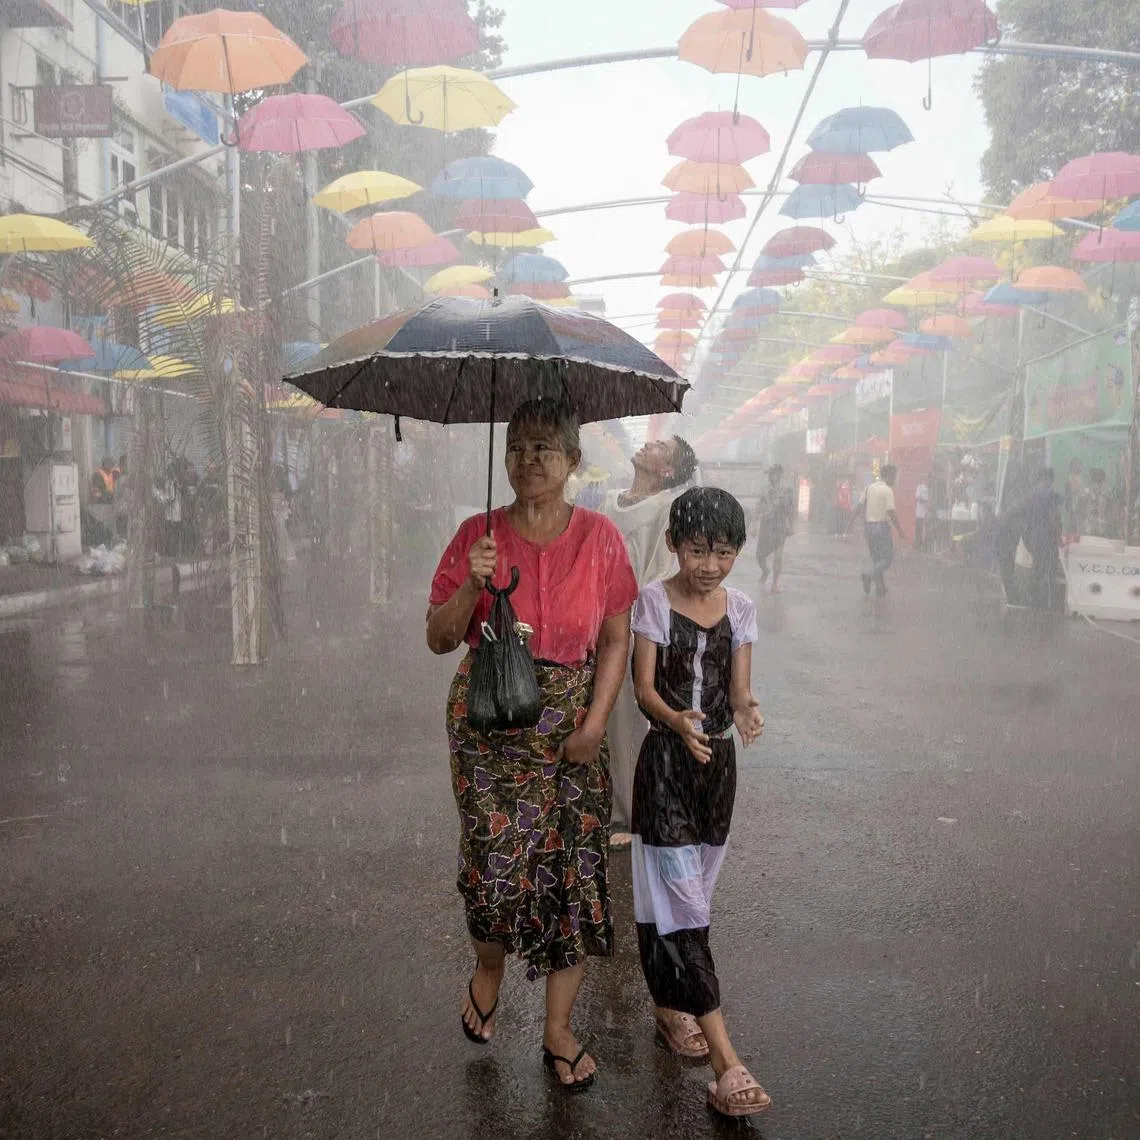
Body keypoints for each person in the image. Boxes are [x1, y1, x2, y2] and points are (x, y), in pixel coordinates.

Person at [427, 398, 638, 1092]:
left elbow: (613, 640)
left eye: (545, 448)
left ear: (575, 461)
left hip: (574, 733)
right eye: (516, 447)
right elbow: (437, 635)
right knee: (492, 874)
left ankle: (557, 1029)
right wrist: (473, 586)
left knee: (572, 878)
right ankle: (488, 964)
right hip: (491, 728)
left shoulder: (602, 538)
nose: (527, 461)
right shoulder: (475, 536)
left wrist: (595, 723)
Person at [629, 487, 770, 1119]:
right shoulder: (654, 602)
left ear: (737, 552)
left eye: (722, 552)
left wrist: (746, 712)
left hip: (718, 773)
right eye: (696, 551)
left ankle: (669, 1009)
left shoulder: (740, 609)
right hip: (665, 763)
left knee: (687, 903)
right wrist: (679, 722)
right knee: (686, 906)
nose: (708, 566)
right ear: (673, 546)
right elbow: (644, 690)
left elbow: (739, 690)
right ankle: (726, 1062)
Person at [603, 435, 698, 850]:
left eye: (660, 447)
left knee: (632, 718)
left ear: (667, 470)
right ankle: (610, 803)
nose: (648, 445)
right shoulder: (607, 500)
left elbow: (660, 573)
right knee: (603, 716)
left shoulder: (665, 510)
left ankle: (636, 811)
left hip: (632, 627)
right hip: (598, 625)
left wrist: (625, 606)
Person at [855, 464, 904, 598]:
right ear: (888, 476)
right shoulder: (887, 490)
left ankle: (880, 587)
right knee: (887, 558)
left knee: (877, 559)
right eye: (895, 476)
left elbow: (859, 506)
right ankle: (869, 576)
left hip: (869, 527)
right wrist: (899, 529)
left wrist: (851, 522)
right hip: (881, 527)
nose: (896, 479)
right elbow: (891, 512)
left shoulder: (869, 487)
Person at [1023, 467, 1063, 611]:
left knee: (1037, 566)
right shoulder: (1049, 494)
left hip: (1035, 536)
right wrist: (1059, 537)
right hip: (1047, 537)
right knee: (1049, 569)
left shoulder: (1032, 494)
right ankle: (1046, 603)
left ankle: (1032, 600)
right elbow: (1053, 516)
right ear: (1049, 479)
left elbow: (1027, 517)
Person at [753, 465, 796, 592]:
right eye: (769, 474)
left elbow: (791, 509)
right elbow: (757, 506)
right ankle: (765, 571)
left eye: (773, 474)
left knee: (778, 556)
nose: (770, 477)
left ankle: (775, 583)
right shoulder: (765, 490)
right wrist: (754, 524)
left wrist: (791, 525)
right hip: (766, 526)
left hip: (780, 527)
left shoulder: (787, 490)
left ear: (779, 475)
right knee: (759, 555)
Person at [914, 477, 930, 552]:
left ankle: (924, 546)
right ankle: (918, 546)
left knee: (925, 530)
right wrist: (925, 502)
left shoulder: (929, 489)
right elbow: (917, 498)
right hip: (919, 513)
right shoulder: (920, 487)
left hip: (926, 513)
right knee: (919, 530)